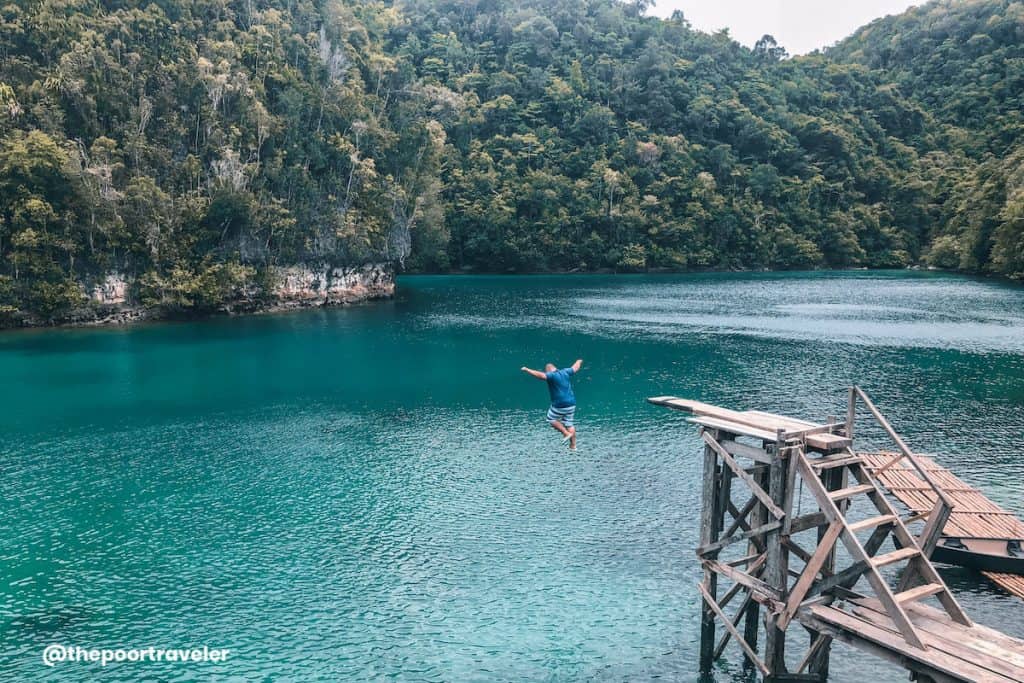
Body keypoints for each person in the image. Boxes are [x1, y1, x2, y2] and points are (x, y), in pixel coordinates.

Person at [521, 359, 583, 449]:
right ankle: (573, 446)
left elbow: (540, 375)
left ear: (548, 371)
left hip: (560, 404)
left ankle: (566, 433)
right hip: (571, 403)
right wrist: (579, 361)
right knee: (569, 423)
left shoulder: (551, 375)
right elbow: (575, 368)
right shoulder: (565, 372)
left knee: (551, 418)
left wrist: (527, 370)